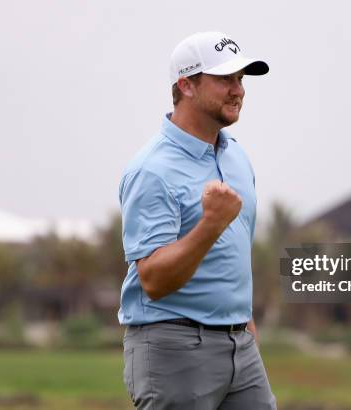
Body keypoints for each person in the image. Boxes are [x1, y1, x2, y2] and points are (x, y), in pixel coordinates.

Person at [118, 31, 276, 409]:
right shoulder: (151, 170)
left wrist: (246, 328)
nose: (238, 90)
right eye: (224, 79)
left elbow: (234, 261)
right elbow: (153, 280)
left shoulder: (237, 158)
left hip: (240, 344)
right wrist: (210, 225)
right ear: (186, 85)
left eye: (240, 79)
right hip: (173, 348)